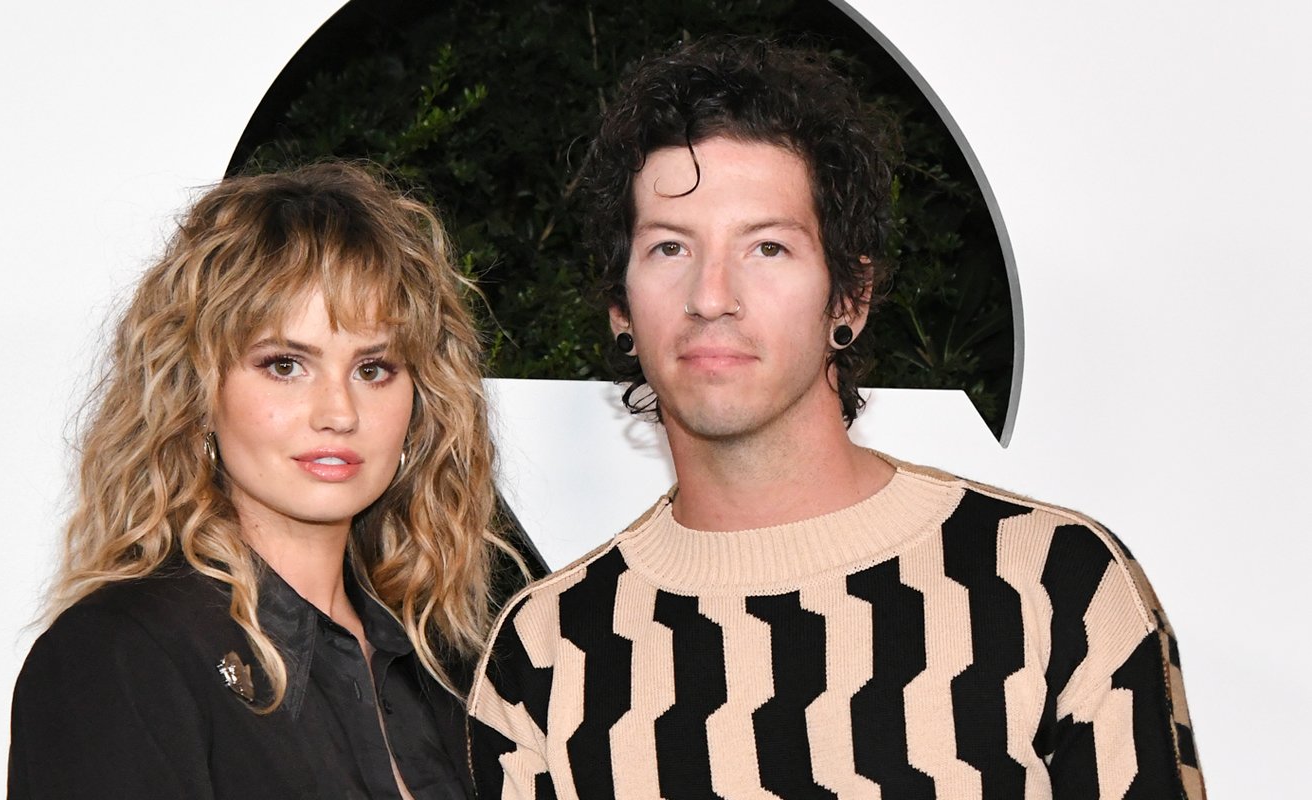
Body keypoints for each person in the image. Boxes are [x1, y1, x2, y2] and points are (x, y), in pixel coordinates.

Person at [468, 37, 1205, 799]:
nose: (711, 295)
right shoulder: (546, 655)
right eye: (669, 248)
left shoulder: (1053, 585)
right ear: (621, 309)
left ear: (850, 299)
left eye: (767, 248)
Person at [9, 161, 528, 798]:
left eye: (372, 370)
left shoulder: (455, 665)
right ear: (198, 392)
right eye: (285, 365)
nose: (339, 412)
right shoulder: (118, 657)